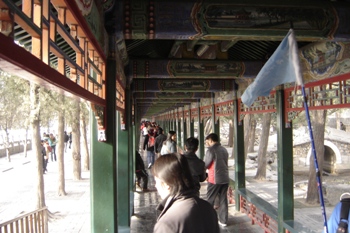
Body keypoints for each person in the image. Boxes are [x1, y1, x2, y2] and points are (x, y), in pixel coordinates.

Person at [152, 153, 219, 233]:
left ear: (166, 184)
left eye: (156, 181)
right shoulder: (208, 208)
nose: (155, 186)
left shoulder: (167, 224)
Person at [204, 133, 229, 227]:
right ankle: (223, 221)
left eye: (207, 142)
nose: (207, 144)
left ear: (210, 140)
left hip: (214, 178)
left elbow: (206, 164)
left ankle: (208, 220)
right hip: (225, 177)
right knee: (223, 200)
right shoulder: (224, 149)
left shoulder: (211, 150)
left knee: (210, 199)